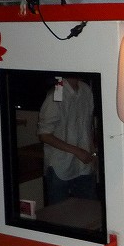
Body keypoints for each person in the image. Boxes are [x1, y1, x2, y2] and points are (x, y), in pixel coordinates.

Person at [38, 75, 97, 205]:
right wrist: (77, 151)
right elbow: (44, 134)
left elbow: (88, 125)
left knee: (88, 210)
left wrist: (93, 152)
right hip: (60, 165)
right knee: (59, 212)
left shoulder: (86, 90)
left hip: (84, 164)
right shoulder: (56, 93)